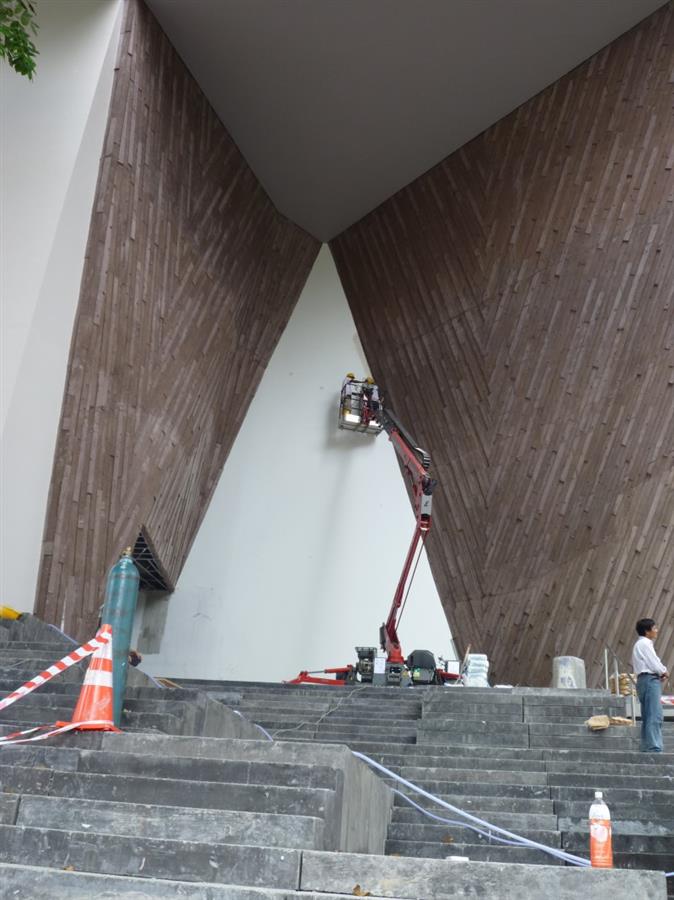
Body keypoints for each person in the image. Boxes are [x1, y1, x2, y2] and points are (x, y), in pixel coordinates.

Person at [631, 618, 668, 752]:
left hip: (643, 679)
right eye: (654, 628)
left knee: (648, 715)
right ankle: (653, 747)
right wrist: (663, 671)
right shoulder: (645, 643)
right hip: (649, 680)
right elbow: (654, 662)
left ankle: (647, 745)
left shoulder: (639, 644)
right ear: (647, 631)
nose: (656, 630)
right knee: (654, 714)